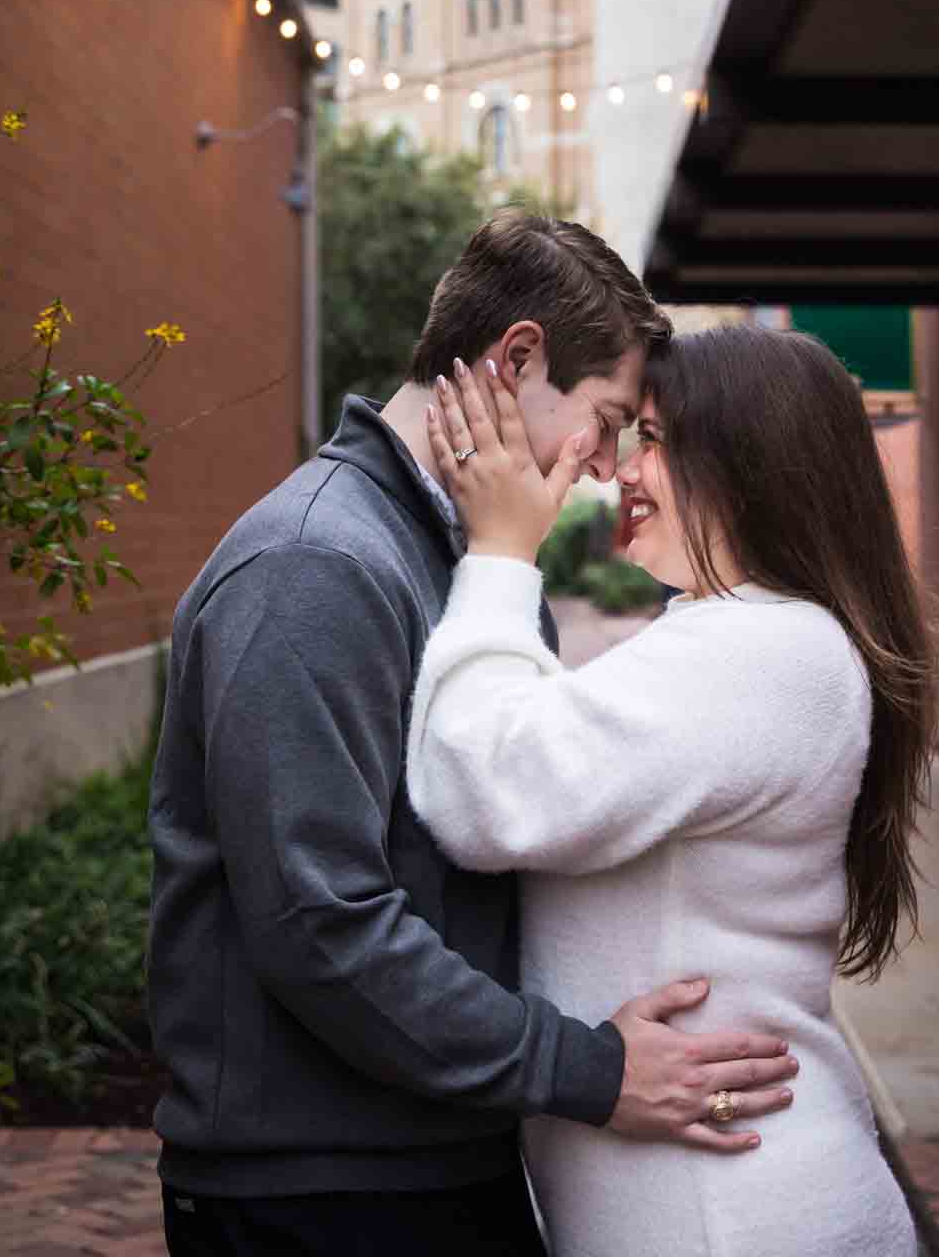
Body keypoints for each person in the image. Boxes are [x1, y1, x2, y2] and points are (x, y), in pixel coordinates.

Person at [147, 213, 799, 1257]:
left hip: (431, 1155)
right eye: (605, 419)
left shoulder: (476, 561)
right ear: (520, 356)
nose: (600, 466)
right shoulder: (316, 565)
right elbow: (323, 921)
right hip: (324, 1191)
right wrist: (586, 1067)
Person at [408, 323, 939, 1257]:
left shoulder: (760, 651)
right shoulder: (748, 638)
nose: (623, 467)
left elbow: (483, 791)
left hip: (735, 1216)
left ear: (747, 469)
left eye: (655, 440)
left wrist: (499, 556)